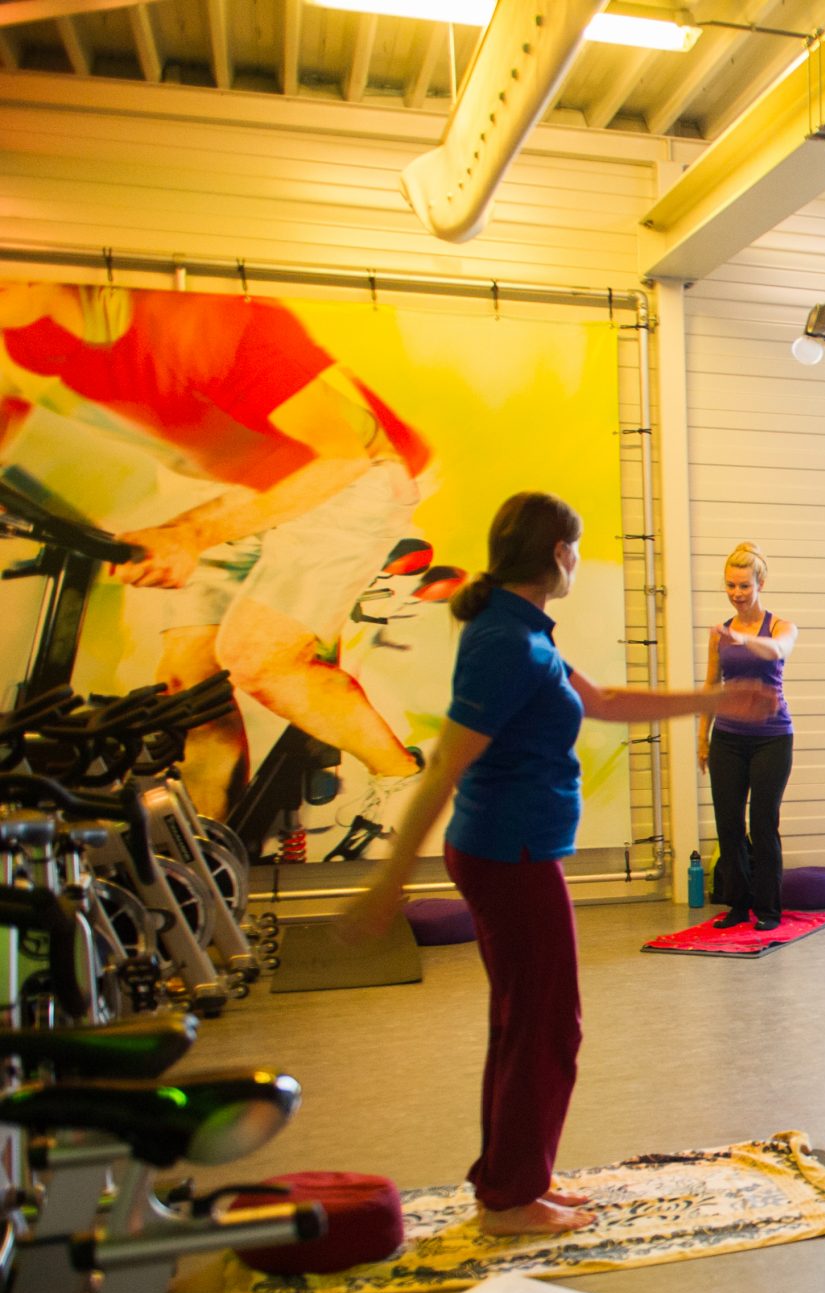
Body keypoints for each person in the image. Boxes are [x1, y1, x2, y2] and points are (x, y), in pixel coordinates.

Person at [344, 494, 770, 1237]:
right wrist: (389, 880)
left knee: (527, 1021)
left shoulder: (524, 631)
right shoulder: (504, 641)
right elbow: (446, 765)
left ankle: (511, 1183)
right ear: (556, 554)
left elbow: (601, 700)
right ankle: (512, 1199)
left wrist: (712, 698)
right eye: (574, 546)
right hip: (506, 854)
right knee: (546, 1026)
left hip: (516, 850)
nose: (576, 557)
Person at [0, 282, 433, 827]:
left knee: (260, 660)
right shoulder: (30, 339)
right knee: (190, 689)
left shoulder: (195, 323)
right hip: (238, 484)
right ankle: (206, 845)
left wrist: (190, 534)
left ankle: (406, 790)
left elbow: (341, 458)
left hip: (347, 476)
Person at [696, 542, 797, 931]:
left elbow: (777, 650)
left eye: (744, 586)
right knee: (729, 825)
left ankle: (768, 910)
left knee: (763, 824)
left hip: (772, 738)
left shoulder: (781, 626)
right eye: (730, 585)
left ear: (760, 584)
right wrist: (703, 738)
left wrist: (744, 640)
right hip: (728, 739)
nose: (736, 594)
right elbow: (710, 686)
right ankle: (738, 906)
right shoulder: (719, 633)